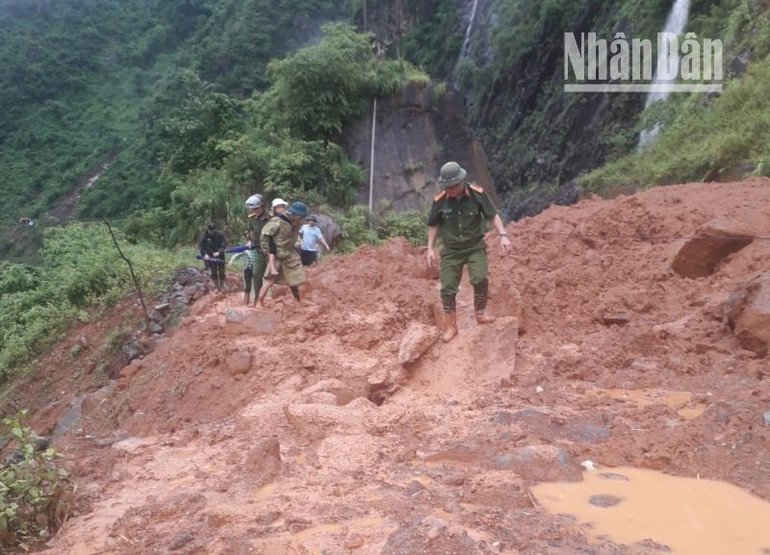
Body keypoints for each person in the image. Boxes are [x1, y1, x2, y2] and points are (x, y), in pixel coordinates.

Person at [426, 161, 511, 342]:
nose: (448, 190)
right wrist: (430, 248)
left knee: (479, 277)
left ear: (460, 183)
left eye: (451, 187)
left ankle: (480, 312)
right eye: (445, 187)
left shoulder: (476, 194)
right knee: (447, 287)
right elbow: (434, 224)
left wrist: (503, 235)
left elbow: (492, 215)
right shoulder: (440, 200)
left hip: (474, 246)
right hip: (451, 250)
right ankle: (451, 325)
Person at [255, 201, 309, 308]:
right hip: (277, 255)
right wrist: (267, 252)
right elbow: (265, 236)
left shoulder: (295, 223)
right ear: (296, 214)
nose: (301, 219)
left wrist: (297, 244)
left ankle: (300, 301)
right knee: (270, 280)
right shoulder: (277, 221)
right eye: (300, 216)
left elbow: (294, 237)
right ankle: (259, 302)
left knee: (298, 278)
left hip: (290, 255)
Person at [244, 194, 269, 306]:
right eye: (253, 209)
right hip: (259, 251)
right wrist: (249, 240)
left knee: (275, 276)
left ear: (262, 207)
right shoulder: (251, 219)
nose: (255, 211)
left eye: (257, 208)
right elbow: (248, 231)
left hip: (272, 250)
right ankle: (257, 301)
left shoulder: (271, 217)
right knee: (257, 275)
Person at [199, 222, 227, 292]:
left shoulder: (219, 234)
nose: (212, 232)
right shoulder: (204, 236)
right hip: (210, 256)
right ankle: (216, 286)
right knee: (213, 271)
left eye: (213, 230)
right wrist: (205, 254)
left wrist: (219, 251)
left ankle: (222, 285)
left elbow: (224, 243)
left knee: (221, 270)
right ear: (208, 230)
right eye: (210, 230)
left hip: (219, 255)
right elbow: (201, 246)